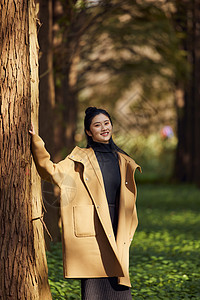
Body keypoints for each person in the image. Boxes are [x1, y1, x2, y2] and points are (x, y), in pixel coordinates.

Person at [29, 107, 141, 300]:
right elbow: (50, 171)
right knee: (94, 291)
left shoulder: (123, 160)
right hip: (93, 231)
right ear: (89, 131)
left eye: (106, 123)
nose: (104, 128)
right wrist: (36, 142)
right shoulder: (78, 160)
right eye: (97, 125)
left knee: (120, 286)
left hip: (116, 227)